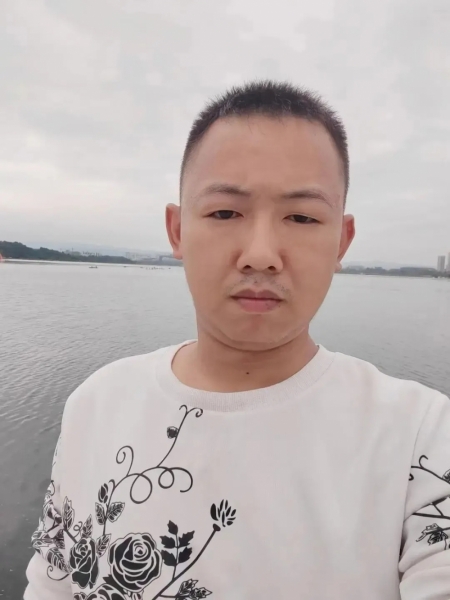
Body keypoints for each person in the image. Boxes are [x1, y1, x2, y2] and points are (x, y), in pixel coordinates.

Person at [25, 80, 450, 600]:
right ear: (177, 231)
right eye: (225, 212)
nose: (261, 254)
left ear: (342, 241)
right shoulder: (96, 404)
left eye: (301, 217)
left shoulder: (422, 437)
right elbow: (51, 584)